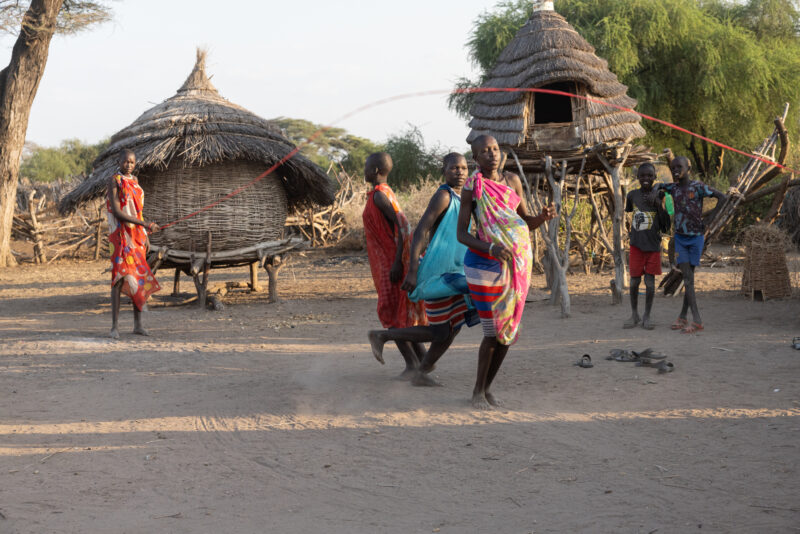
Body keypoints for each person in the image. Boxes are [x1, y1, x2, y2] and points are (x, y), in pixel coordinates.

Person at [457, 135, 556, 409]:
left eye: (495, 149)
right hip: (486, 266)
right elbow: (462, 234)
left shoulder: (512, 181)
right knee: (492, 331)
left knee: (507, 331)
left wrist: (543, 217)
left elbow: (526, 221)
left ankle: (487, 389)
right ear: (475, 158)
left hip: (518, 266)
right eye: (485, 151)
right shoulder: (472, 187)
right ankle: (477, 391)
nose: (492, 154)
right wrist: (490, 249)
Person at [367, 153, 478, 386]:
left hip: (456, 272)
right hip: (439, 273)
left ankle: (421, 369)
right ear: (444, 171)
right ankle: (384, 337)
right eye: (454, 167)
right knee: (440, 332)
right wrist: (413, 269)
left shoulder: (463, 198)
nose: (460, 171)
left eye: (464, 167)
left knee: (455, 325)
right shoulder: (443, 196)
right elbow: (419, 231)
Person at [362, 152, 427, 378]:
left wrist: (399, 262)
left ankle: (413, 364)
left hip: (391, 262)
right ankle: (424, 360)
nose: (364, 170)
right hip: (386, 261)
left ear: (376, 171)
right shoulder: (381, 194)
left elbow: (404, 227)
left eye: (367, 167)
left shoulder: (380, 196)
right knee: (398, 313)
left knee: (391, 313)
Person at [658, 156, 727, 333]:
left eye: (679, 167)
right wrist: (654, 193)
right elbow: (657, 187)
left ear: (688, 167)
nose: (675, 170)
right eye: (672, 167)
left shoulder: (698, 187)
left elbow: (722, 197)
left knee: (689, 279)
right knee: (688, 278)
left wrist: (710, 219)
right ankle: (693, 319)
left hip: (696, 238)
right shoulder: (672, 188)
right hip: (680, 239)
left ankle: (686, 318)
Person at [107, 149, 161, 339]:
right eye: (125, 162)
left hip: (136, 236)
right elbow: (116, 211)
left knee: (138, 278)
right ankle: (114, 327)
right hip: (120, 236)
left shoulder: (135, 182)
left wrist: (145, 233)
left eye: (132, 162)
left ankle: (138, 325)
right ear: (119, 161)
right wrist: (145, 224)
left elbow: (138, 212)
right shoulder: (115, 180)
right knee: (119, 277)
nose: (129, 165)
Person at [624, 162, 670, 330]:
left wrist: (658, 204)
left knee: (650, 284)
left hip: (653, 247)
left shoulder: (660, 196)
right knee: (634, 282)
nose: (646, 178)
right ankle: (634, 314)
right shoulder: (632, 196)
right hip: (636, 245)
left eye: (649, 176)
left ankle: (647, 315)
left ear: (654, 177)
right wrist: (631, 234)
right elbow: (629, 215)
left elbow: (666, 225)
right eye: (642, 175)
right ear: (637, 177)